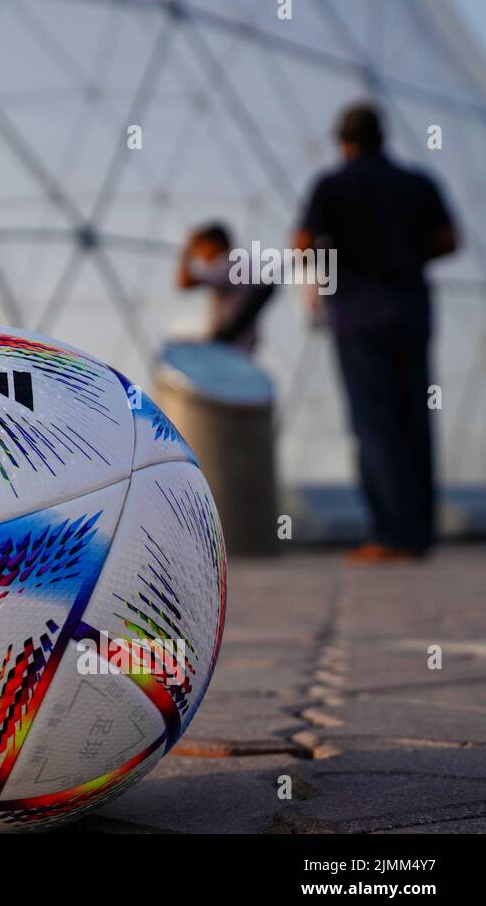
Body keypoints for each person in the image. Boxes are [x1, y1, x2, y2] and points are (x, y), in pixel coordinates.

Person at [295, 103, 458, 563]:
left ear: (344, 142)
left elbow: (303, 243)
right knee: (414, 421)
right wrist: (406, 253)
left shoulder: (332, 185)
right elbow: (450, 239)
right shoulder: (417, 183)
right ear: (382, 137)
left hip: (359, 315)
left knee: (375, 423)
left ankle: (391, 535)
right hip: (411, 311)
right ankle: (420, 534)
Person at [177, 222, 273, 352]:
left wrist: (187, 250)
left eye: (201, 248)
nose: (200, 256)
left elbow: (185, 283)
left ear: (214, 244)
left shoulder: (228, 264)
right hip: (239, 342)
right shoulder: (239, 262)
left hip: (231, 344)